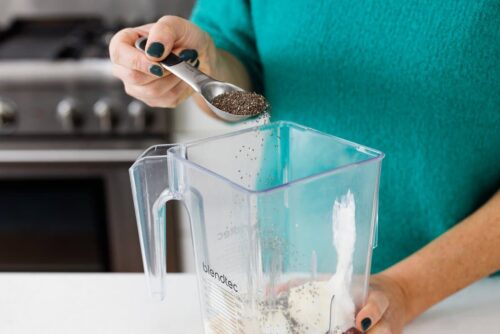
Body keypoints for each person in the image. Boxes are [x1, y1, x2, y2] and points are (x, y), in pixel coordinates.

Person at [109, 1, 500, 333]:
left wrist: (405, 288)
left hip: (471, 297)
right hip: (286, 284)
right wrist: (201, 66)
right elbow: (239, 75)